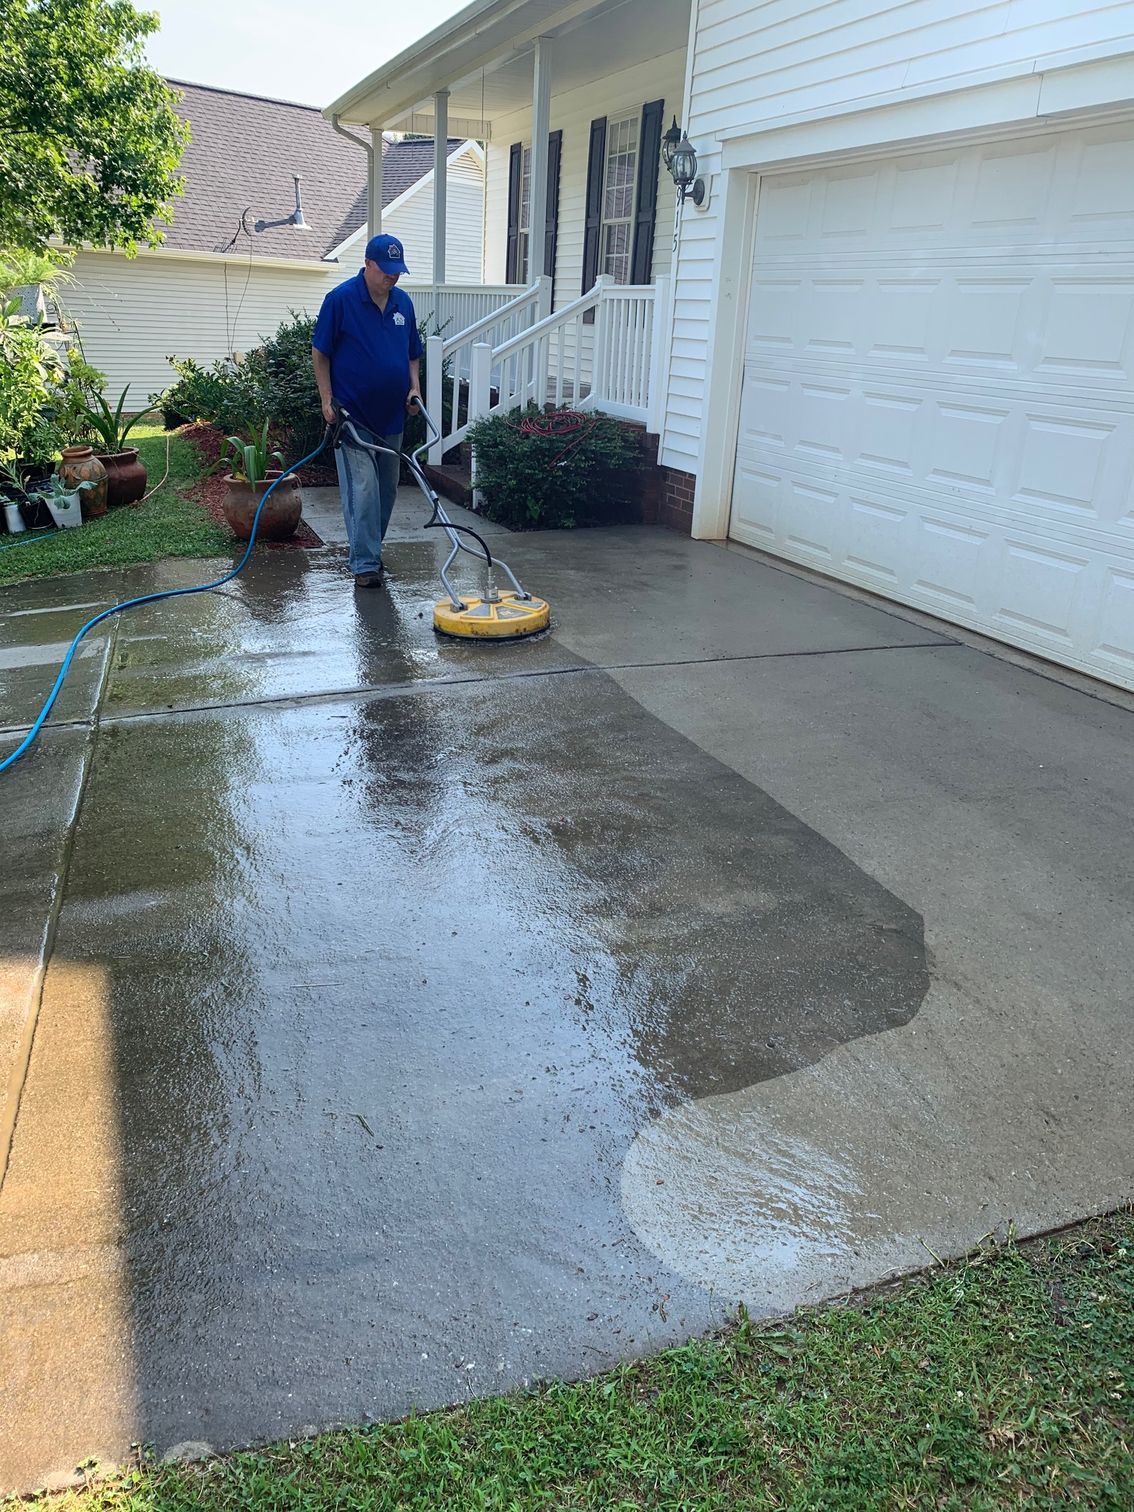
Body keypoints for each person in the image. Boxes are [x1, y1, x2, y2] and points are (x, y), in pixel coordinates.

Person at [311, 234, 423, 588]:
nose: (393, 277)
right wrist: (326, 399)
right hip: (352, 417)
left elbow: (412, 353)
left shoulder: (403, 303)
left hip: (392, 416)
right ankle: (364, 564)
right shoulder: (341, 300)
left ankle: (370, 550)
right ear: (368, 264)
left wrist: (414, 387)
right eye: (386, 270)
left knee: (387, 490)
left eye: (397, 271)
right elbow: (320, 353)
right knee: (364, 489)